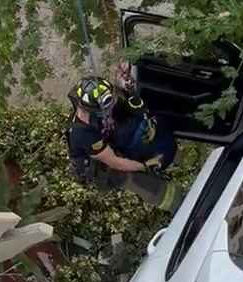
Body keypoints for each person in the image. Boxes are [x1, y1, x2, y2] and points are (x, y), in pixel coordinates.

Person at [66, 76, 181, 211]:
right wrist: (145, 166)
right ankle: (180, 204)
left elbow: (134, 106)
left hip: (110, 142)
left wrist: (128, 87)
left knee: (135, 134)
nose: (113, 104)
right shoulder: (84, 134)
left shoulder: (97, 95)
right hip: (103, 165)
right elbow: (114, 161)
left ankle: (171, 165)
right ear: (92, 110)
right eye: (109, 105)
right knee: (142, 183)